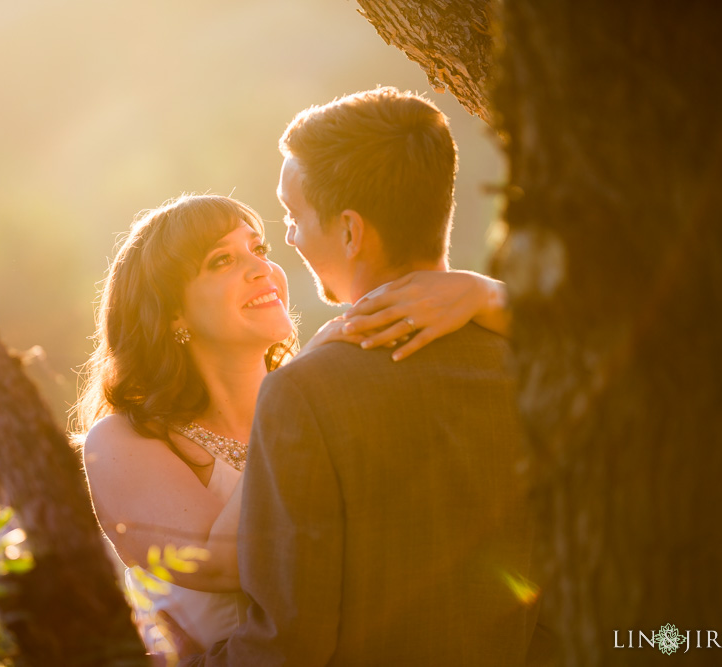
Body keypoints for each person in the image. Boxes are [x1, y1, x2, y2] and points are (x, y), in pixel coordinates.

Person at [177, 87, 544, 665]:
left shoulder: (306, 392)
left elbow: (289, 642)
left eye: (293, 216)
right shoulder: (537, 363)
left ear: (350, 231)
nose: (291, 237)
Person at [75, 193, 510, 656]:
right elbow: (222, 563)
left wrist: (487, 293)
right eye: (222, 260)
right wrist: (299, 393)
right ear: (172, 311)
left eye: (258, 249)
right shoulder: (124, 439)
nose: (261, 268)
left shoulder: (329, 397)